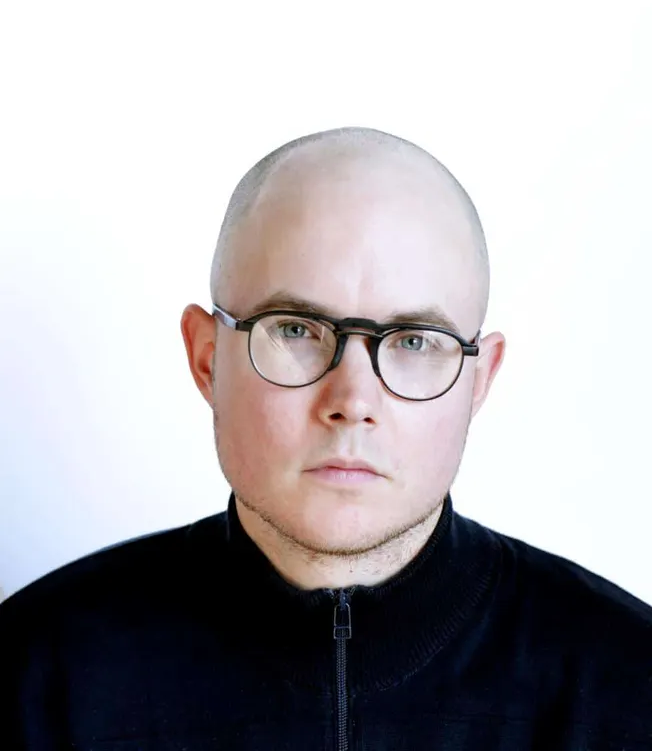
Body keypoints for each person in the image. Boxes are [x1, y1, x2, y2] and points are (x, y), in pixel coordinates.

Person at [1, 128, 651, 751]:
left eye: (414, 341)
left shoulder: (629, 685)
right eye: (296, 330)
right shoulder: (34, 679)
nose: (352, 402)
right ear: (207, 358)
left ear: (478, 381)